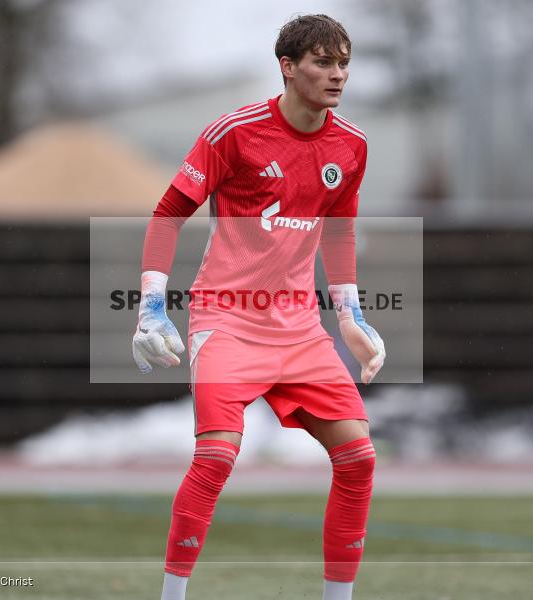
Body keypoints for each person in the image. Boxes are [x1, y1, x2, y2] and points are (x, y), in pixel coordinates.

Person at [131, 14, 385, 600]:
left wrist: (349, 316)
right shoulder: (234, 133)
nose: (337, 74)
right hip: (226, 320)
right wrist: (150, 308)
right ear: (288, 68)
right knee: (217, 457)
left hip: (299, 329)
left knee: (359, 460)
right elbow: (167, 214)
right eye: (323, 62)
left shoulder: (352, 146)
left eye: (344, 62)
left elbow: (340, 231)